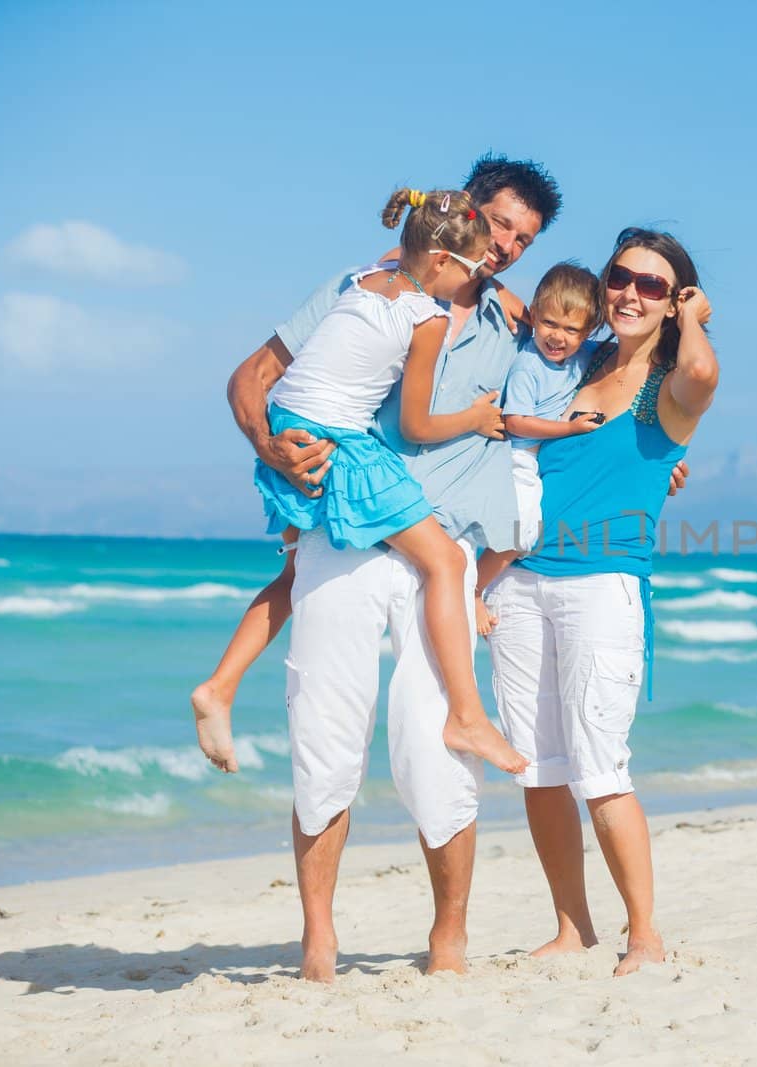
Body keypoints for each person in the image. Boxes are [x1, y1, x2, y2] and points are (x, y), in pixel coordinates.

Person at [220, 154, 564, 981]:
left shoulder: (518, 327)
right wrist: (272, 447)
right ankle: (318, 940)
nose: (510, 244)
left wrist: (660, 454)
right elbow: (253, 377)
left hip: (441, 551)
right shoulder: (364, 286)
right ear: (463, 212)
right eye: (501, 223)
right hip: (343, 543)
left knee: (437, 754)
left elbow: (586, 388)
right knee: (324, 738)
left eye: (525, 236)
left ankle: (449, 937)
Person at [204, 188, 525, 777]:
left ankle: (220, 687)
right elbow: (416, 424)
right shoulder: (427, 317)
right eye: (476, 266)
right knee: (446, 565)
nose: (482, 274)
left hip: (292, 425)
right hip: (338, 446)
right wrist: (477, 419)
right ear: (441, 263)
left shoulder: (359, 282)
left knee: (292, 573)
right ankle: (469, 717)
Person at [485, 228, 719, 976]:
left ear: (675, 301)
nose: (631, 292)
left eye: (655, 285)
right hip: (519, 580)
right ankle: (571, 926)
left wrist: (695, 320)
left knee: (601, 764)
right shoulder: (572, 358)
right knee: (540, 765)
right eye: (623, 276)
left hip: (601, 584)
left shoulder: (671, 389)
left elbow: (705, 377)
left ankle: (643, 932)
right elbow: (509, 309)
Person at [470, 261, 607, 636]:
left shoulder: (583, 355)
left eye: (571, 329)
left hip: (536, 461)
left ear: (589, 330)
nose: (557, 337)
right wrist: (569, 428)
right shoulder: (529, 364)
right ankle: (473, 591)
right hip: (517, 456)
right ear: (534, 314)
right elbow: (516, 422)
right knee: (523, 533)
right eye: (549, 324)